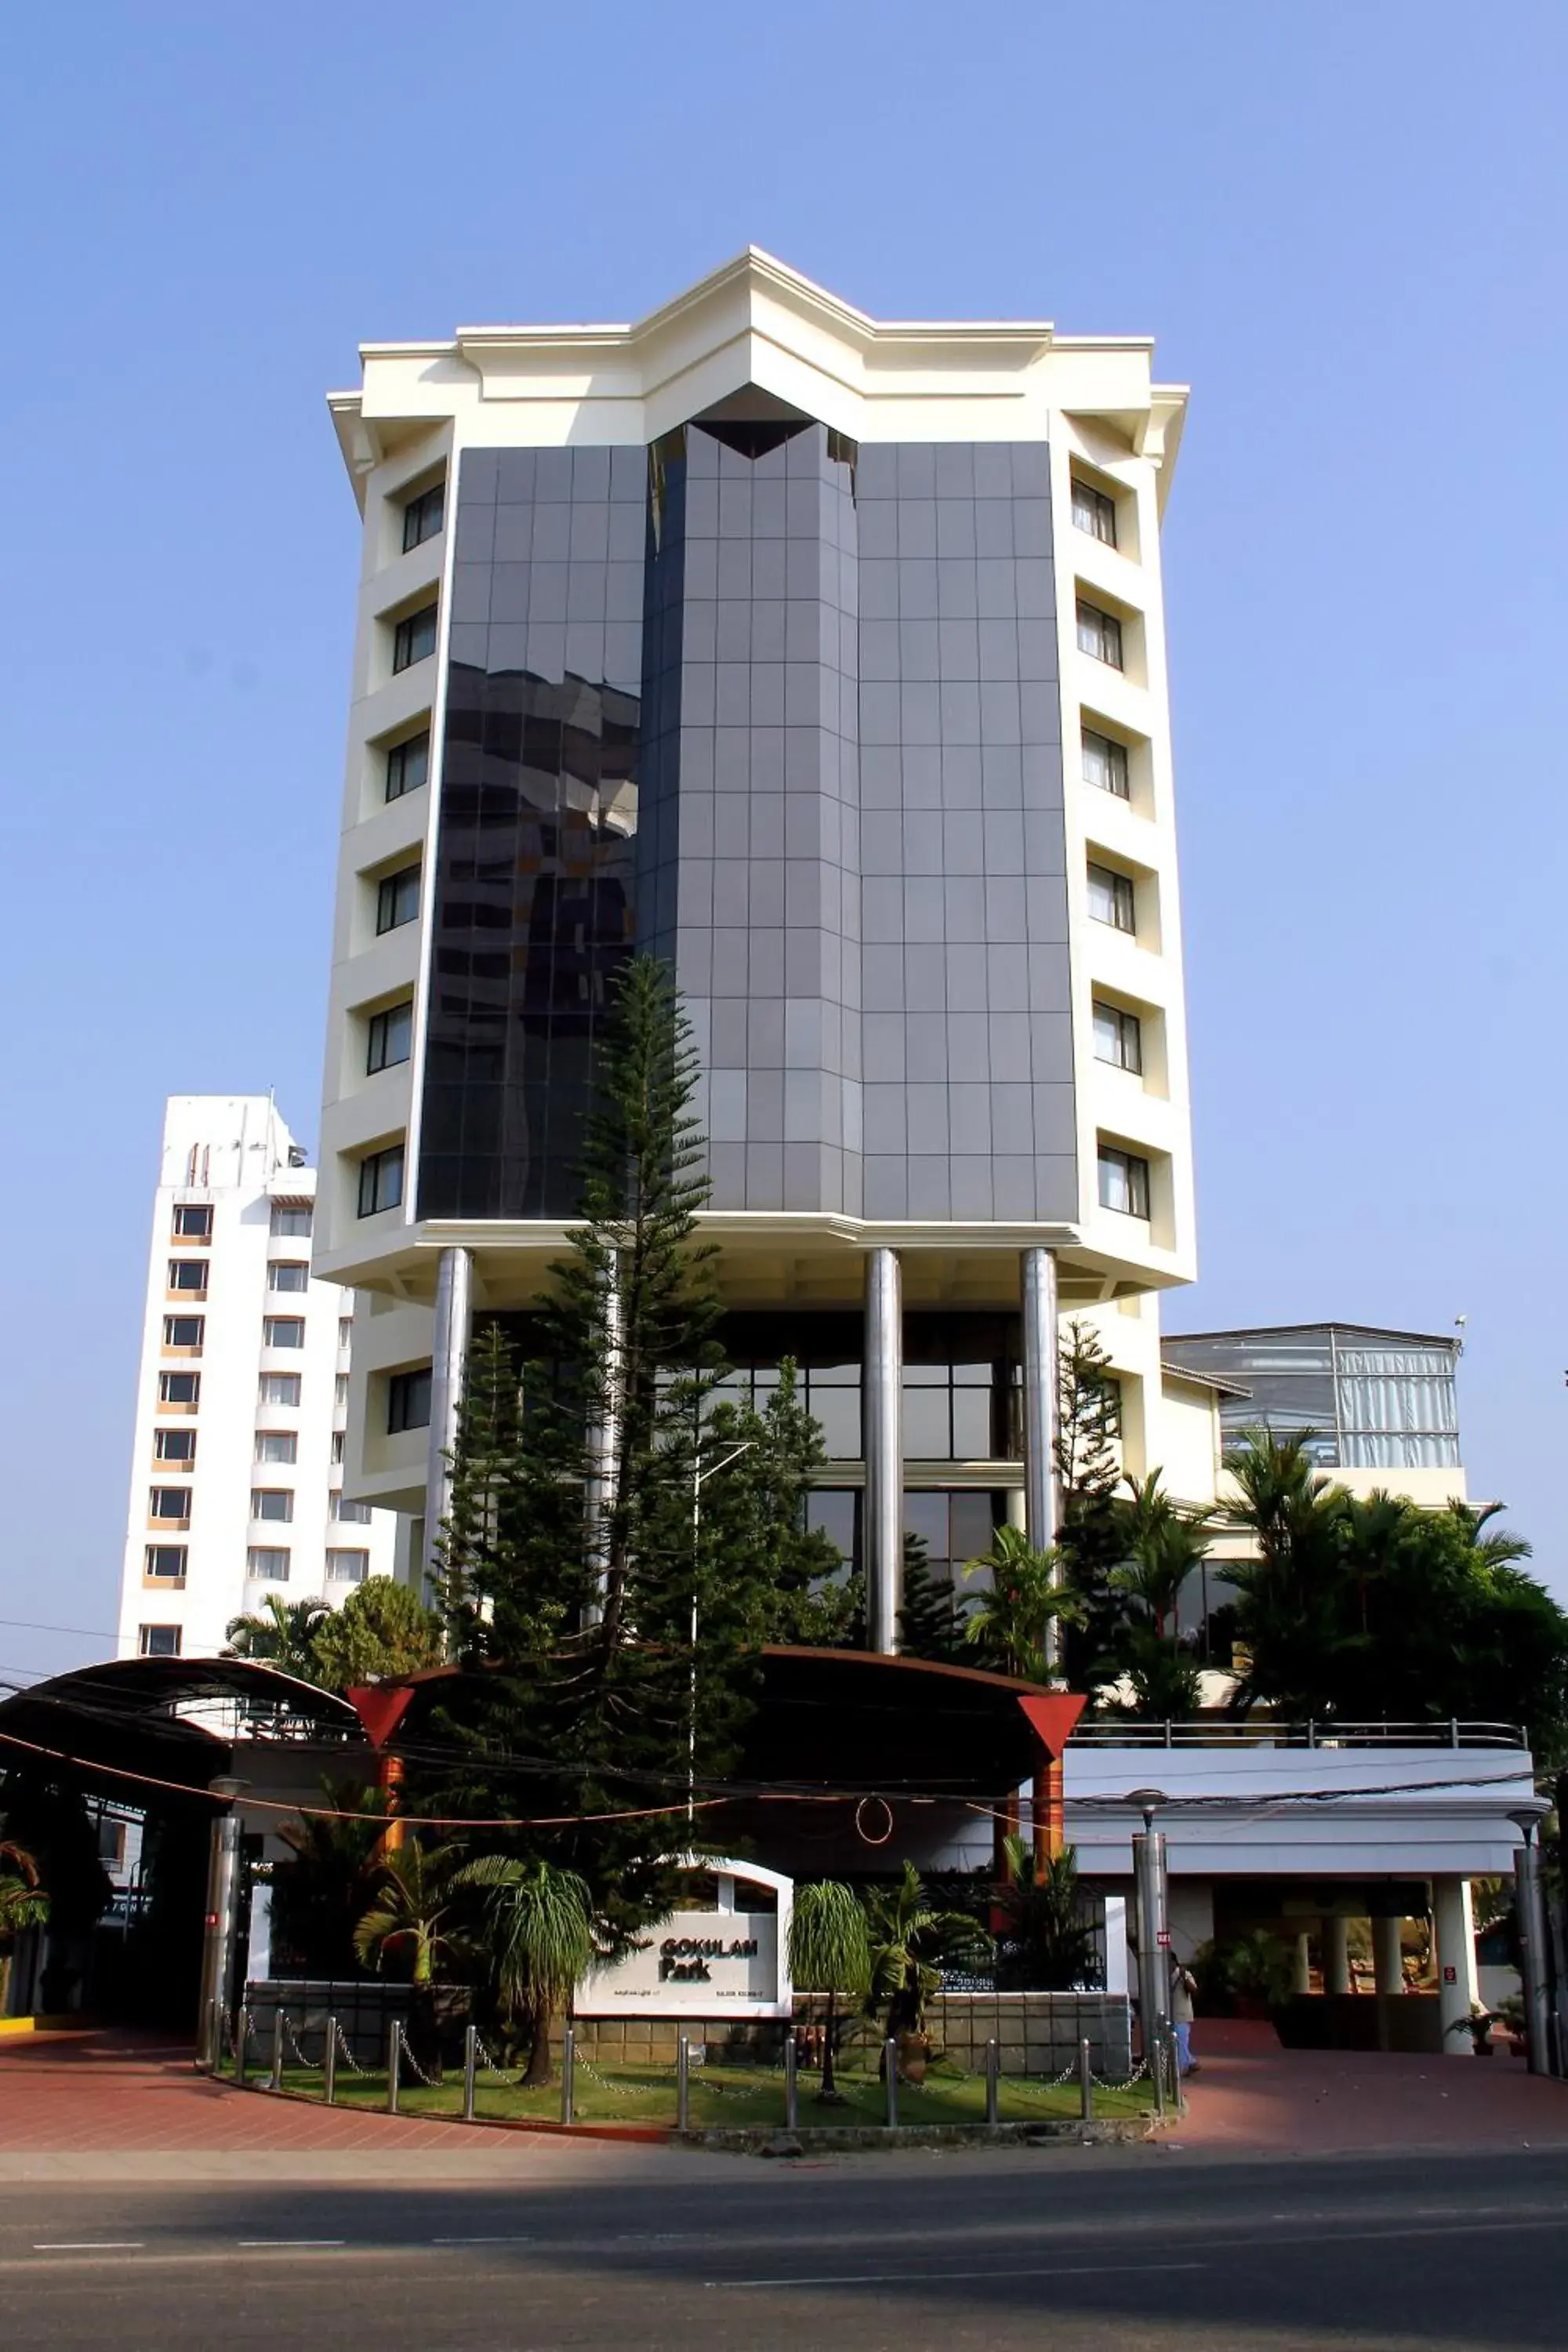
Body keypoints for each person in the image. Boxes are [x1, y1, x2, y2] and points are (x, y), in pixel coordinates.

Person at [1170, 1955, 1199, 2075]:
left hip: (1181, 2014)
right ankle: (1190, 2062)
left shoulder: (1183, 1974)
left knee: (1181, 2041)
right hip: (1170, 2014)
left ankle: (1182, 2069)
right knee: (1179, 2042)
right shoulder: (1164, 1975)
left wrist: (1184, 1978)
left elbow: (1194, 1990)